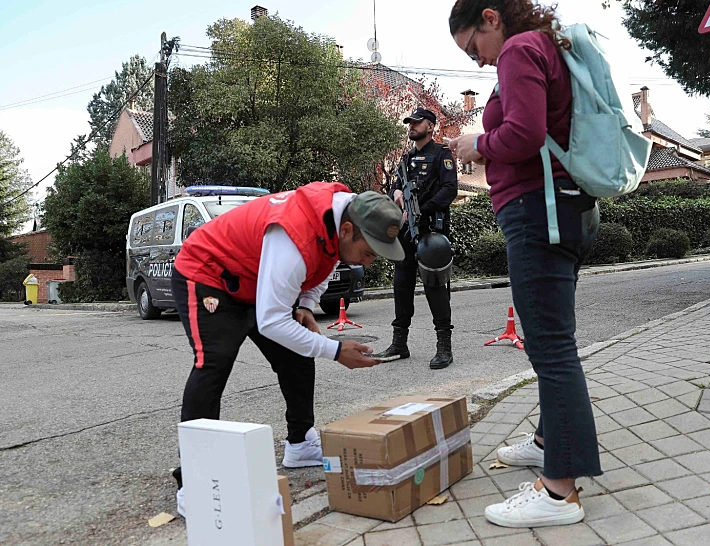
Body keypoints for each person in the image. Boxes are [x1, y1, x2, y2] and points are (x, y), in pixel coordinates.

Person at [447, 0, 602, 528]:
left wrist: (474, 144)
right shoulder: (543, 46)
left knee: (552, 348)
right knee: (550, 341)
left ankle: (560, 492)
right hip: (561, 207)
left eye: (472, 47)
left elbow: (523, 135)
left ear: (491, 18)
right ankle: (546, 444)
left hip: (539, 211)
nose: (477, 61)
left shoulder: (517, 48)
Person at [169, 182, 405, 517]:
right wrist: (335, 351)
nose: (368, 263)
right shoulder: (294, 234)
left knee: (297, 352)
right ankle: (192, 478)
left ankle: (299, 443)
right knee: (215, 362)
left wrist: (307, 305)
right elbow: (271, 322)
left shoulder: (339, 220)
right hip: (208, 273)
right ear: (349, 229)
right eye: (368, 252)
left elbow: (323, 266)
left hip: (253, 280)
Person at [373, 107, 459, 370]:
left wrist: (423, 211)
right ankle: (400, 343)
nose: (411, 126)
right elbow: (394, 187)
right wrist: (396, 192)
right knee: (402, 284)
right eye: (409, 122)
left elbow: (449, 190)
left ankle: (444, 346)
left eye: (417, 122)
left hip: (431, 231)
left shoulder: (442, 154)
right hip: (406, 232)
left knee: (434, 286)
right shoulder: (406, 158)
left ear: (430, 127)